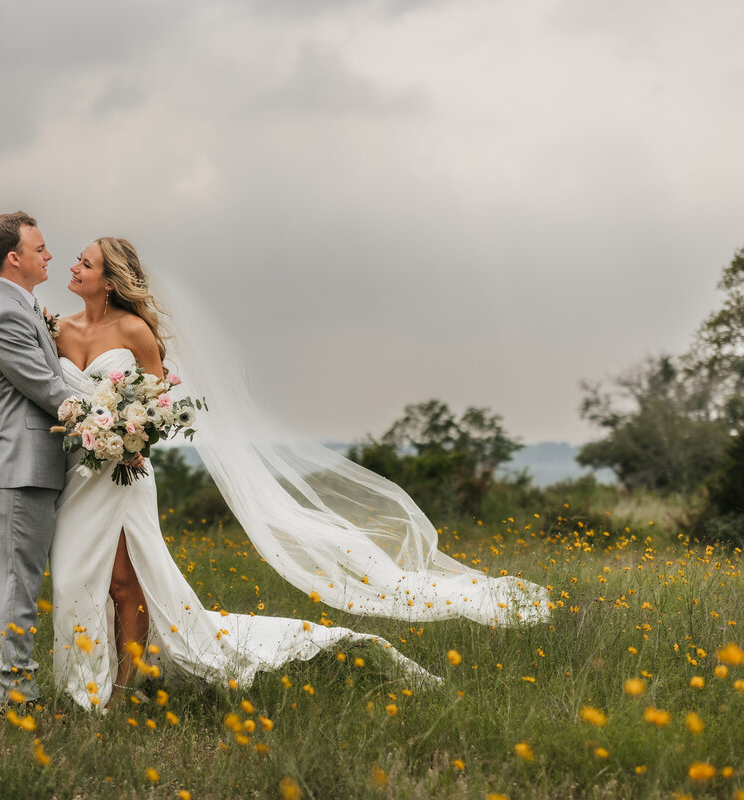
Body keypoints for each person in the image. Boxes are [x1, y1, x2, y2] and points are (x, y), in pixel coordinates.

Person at [46, 238, 550, 712]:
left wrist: (131, 437)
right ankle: (83, 674)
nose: (74, 267)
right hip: (79, 473)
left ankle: (118, 692)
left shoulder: (134, 331)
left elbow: (158, 403)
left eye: (85, 263)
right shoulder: (61, 330)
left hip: (124, 475)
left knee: (124, 581)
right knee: (78, 577)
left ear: (109, 281)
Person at [0, 211, 72, 707]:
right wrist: (108, 414)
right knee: (19, 588)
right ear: (15, 258)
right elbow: (47, 388)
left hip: (26, 466)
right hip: (20, 465)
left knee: (9, 585)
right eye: (40, 248)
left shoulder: (22, 307)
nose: (49, 255)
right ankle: (18, 698)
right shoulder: (6, 313)